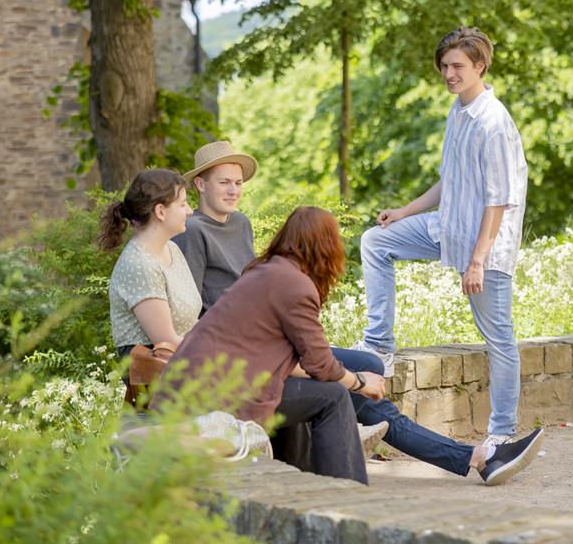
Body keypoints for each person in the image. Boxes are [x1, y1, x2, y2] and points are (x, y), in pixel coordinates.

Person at [162, 206, 543, 486]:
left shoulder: (270, 271)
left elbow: (287, 355)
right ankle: (348, 491)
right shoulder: (294, 285)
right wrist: (358, 383)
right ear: (324, 247)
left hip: (221, 378)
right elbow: (319, 366)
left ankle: (474, 457)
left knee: (364, 367)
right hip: (216, 393)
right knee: (334, 395)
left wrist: (360, 375)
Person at [356, 27, 528, 449]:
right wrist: (403, 212)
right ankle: (379, 345)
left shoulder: (493, 121)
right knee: (376, 241)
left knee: (499, 339)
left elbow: (499, 199)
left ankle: (502, 433)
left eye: (458, 66)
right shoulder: (457, 110)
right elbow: (448, 182)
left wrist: (477, 261)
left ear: (480, 66)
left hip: (485, 245)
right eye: (445, 66)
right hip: (446, 228)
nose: (449, 73)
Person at [101, 169, 203, 362]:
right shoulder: (140, 264)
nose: (190, 211)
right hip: (159, 376)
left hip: (188, 363)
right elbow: (166, 344)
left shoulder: (172, 249)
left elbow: (189, 325)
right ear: (160, 212)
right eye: (182, 204)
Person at [172, 140, 257, 313]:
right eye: (224, 182)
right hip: (218, 331)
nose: (233, 191)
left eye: (238, 183)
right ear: (200, 185)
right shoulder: (191, 229)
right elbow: (188, 306)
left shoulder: (241, 222)